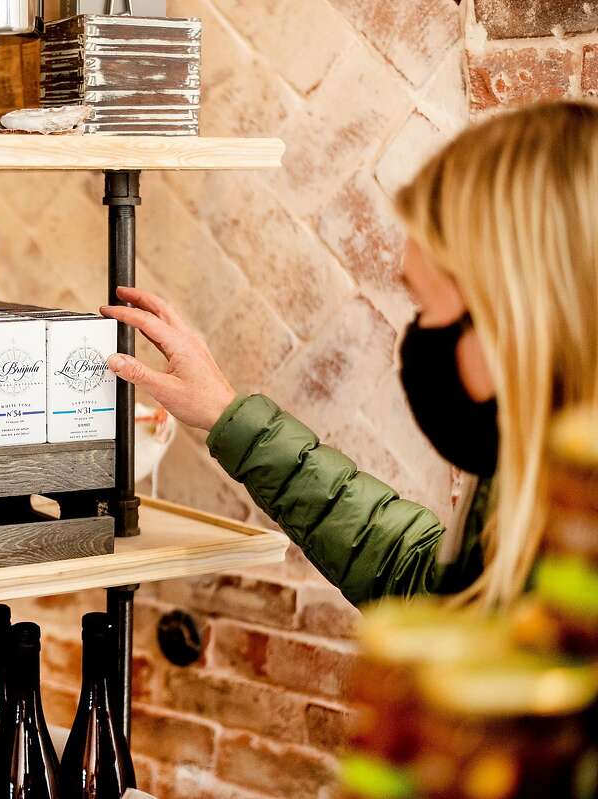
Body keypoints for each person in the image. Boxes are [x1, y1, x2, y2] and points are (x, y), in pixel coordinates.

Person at [100, 101, 598, 608]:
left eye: (427, 306)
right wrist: (228, 416)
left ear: (517, 319)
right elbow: (428, 588)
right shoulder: (535, 482)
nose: (420, 336)